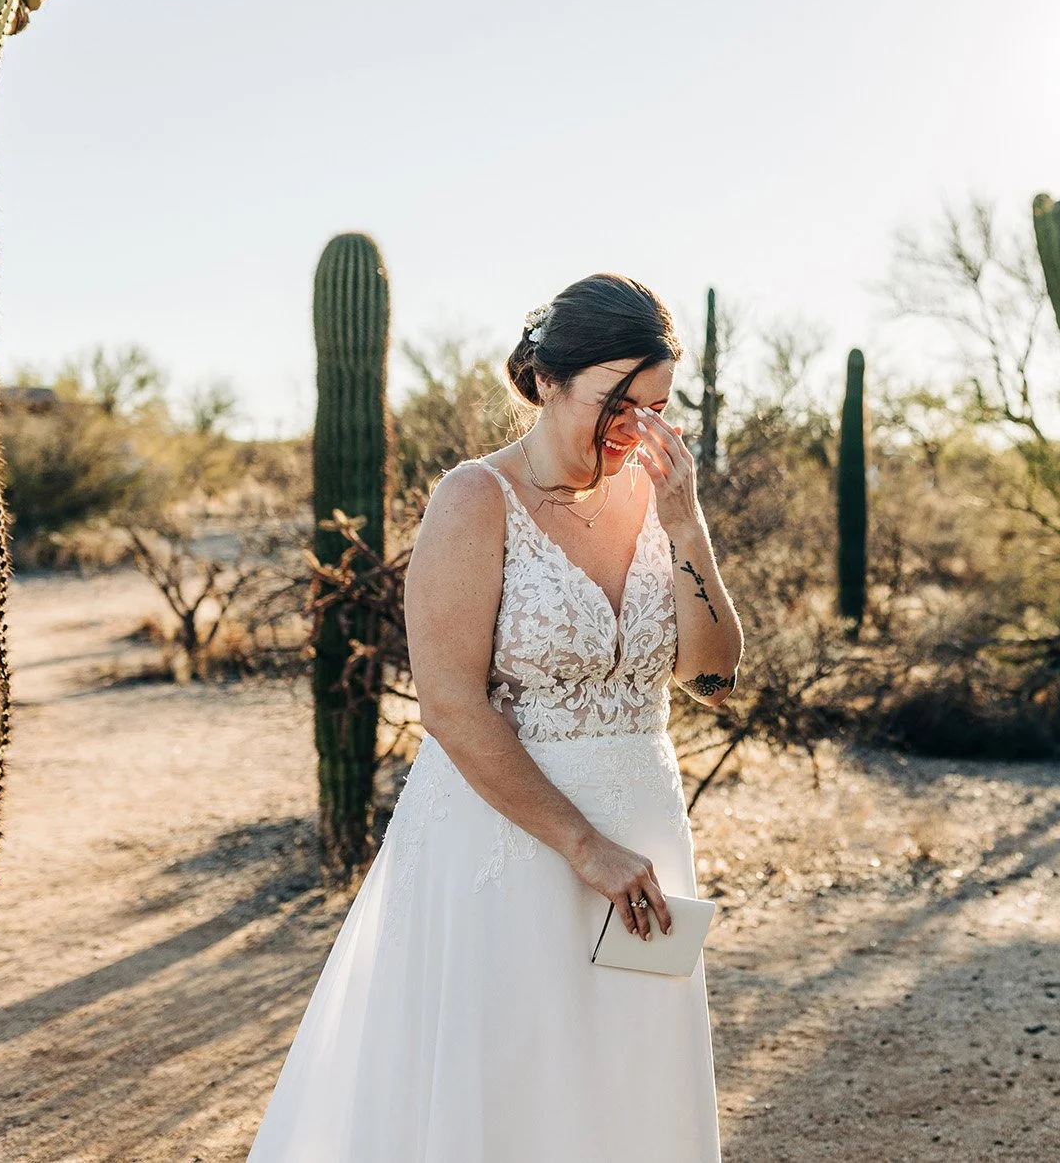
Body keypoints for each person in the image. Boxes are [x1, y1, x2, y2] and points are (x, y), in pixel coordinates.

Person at [249, 273, 743, 1162]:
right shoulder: (474, 501)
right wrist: (584, 844)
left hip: (645, 839)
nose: (637, 432)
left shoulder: (656, 496)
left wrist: (688, 524)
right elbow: (449, 704)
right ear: (548, 381)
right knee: (511, 1093)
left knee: (629, 1089)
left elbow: (712, 672)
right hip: (510, 843)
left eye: (658, 408)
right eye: (615, 406)